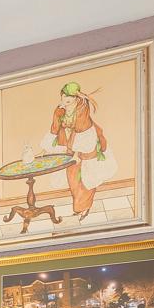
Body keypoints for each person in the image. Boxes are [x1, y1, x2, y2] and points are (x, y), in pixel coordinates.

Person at [43, 81, 118, 220]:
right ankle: (78, 208)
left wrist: (77, 153)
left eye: (68, 97)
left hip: (86, 147)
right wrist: (57, 116)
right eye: (63, 96)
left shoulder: (83, 108)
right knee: (72, 178)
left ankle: (84, 208)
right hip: (70, 147)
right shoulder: (61, 109)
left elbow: (84, 134)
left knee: (86, 178)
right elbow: (55, 128)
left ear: (76, 98)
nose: (64, 99)